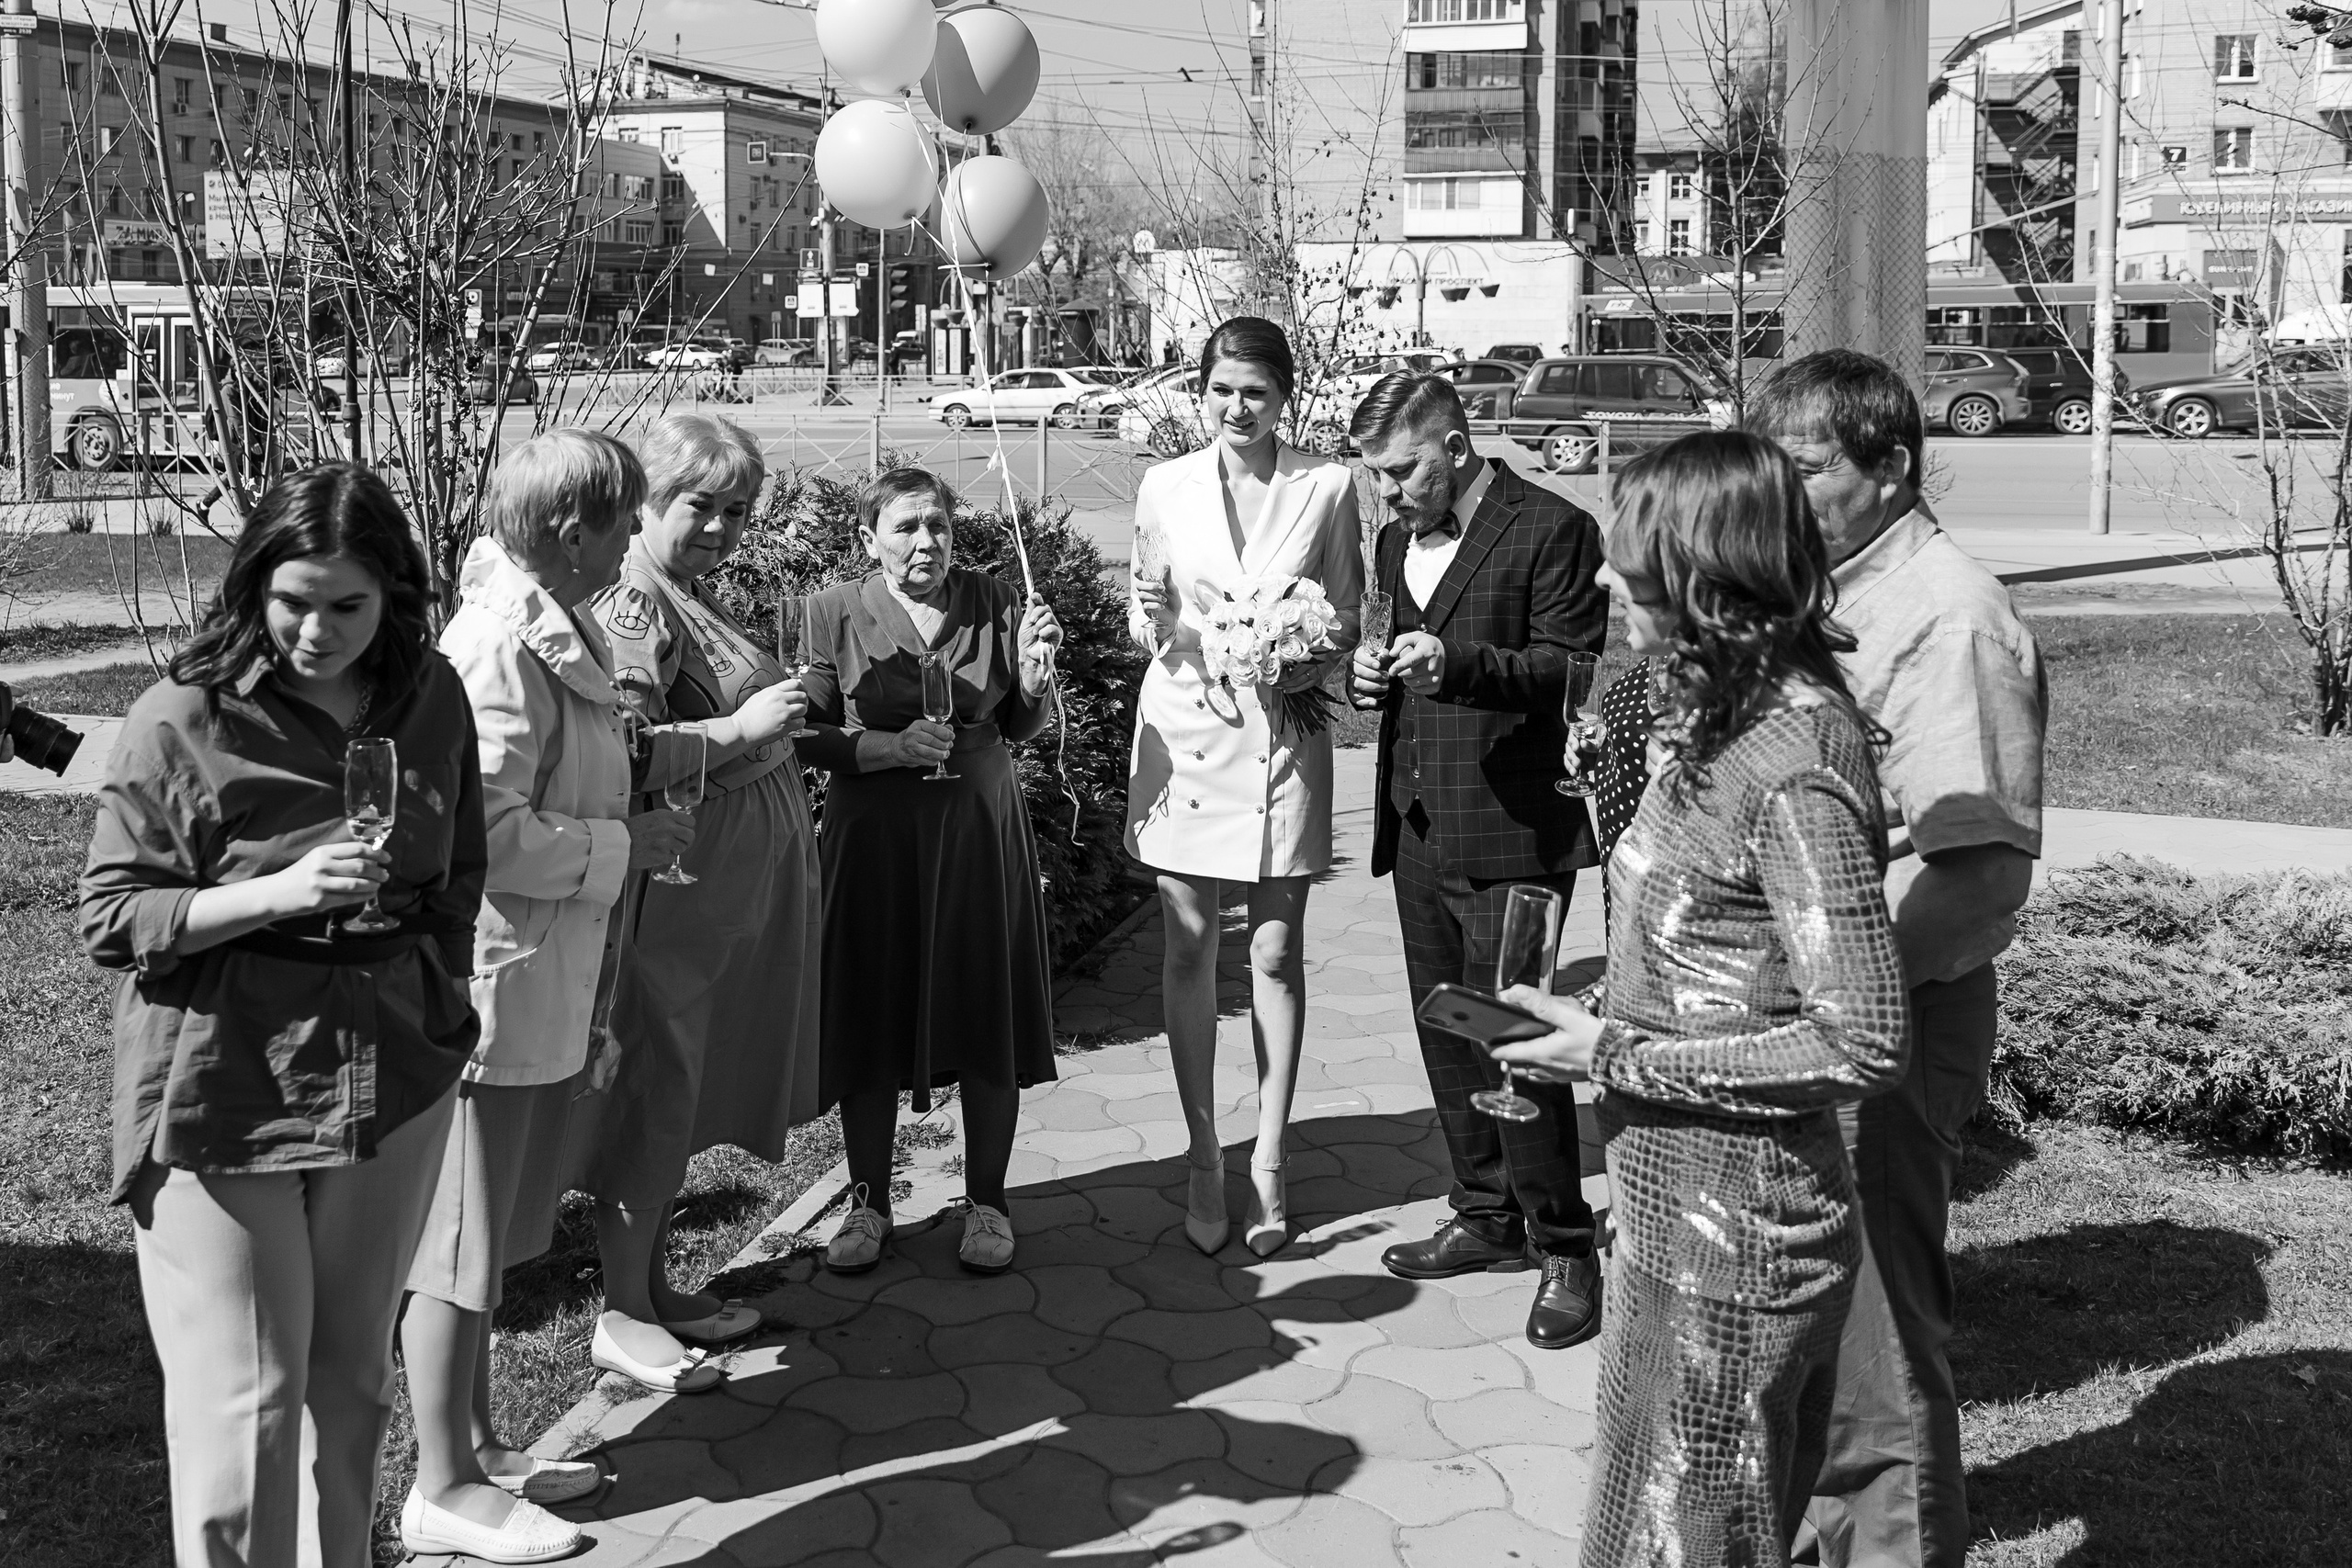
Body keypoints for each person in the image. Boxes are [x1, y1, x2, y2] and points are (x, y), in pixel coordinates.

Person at [1492, 429, 1912, 1566]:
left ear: (1700, 581)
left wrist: (1614, 1058)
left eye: (1627, 572)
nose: (1604, 591)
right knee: (1646, 1533)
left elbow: (1863, 1039)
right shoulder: (1713, 722)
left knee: (1700, 1545)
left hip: (1743, 1242)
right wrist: (1591, 1048)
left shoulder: (1792, 767)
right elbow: (1707, 964)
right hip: (1674, 1207)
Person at [81, 463, 486, 1568]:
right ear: (253, 586)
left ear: (393, 595)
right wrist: (274, 892)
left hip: (394, 1062)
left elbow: (458, 872)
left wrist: (446, 1006)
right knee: (250, 1402)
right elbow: (114, 913)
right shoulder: (184, 716)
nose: (317, 630)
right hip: (229, 1077)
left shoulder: (428, 695)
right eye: (293, 600)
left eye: (347, 605)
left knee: (351, 1382)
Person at [1747, 351, 2046, 1568]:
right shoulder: (1830, 591)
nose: (1781, 491)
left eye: (1804, 469)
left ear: (1889, 468)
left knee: (1876, 1354)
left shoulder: (1947, 610)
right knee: (1812, 1335)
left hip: (1884, 1031)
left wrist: (1838, 1015)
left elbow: (1974, 872)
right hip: (1819, 1022)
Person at [395, 432, 698, 1562]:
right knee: (459, 1241)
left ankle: (474, 1446)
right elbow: (483, 831)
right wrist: (627, 843)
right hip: (493, 987)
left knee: (497, 1228)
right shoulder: (493, 647)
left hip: (537, 979)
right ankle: (441, 1486)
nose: (635, 538)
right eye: (625, 519)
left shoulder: (546, 626)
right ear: (572, 531)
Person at [1342, 371, 1609, 1350]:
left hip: (1512, 829)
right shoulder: (1387, 538)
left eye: (1401, 470)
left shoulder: (1551, 528)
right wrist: (1364, 673)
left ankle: (1564, 1239)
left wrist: (1457, 665)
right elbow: (1389, 646)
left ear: (1455, 447)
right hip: (1417, 825)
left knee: (1514, 1035)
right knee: (1450, 1026)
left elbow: (1569, 666)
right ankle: (1485, 1212)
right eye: (1375, 475)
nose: (1388, 492)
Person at [580, 413, 820, 1393]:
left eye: (738, 510)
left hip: (723, 879)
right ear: (647, 500)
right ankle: (623, 1311)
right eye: (701, 505)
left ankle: (652, 1286)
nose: (723, 526)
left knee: (685, 1076)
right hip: (680, 880)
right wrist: (745, 725)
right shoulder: (636, 602)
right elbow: (625, 747)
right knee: (659, 1079)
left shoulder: (684, 587)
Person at [1125, 315, 1364, 1257]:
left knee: (1271, 954)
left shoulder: (1328, 485)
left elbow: (1346, 613)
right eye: (1222, 389)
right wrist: (1145, 615)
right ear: (1201, 389)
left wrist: (1304, 652)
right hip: (1186, 736)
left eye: (1256, 391)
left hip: (1284, 739)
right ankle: (1199, 1155)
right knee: (1188, 954)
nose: (1237, 407)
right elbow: (1148, 613)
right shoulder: (1163, 485)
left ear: (1285, 396)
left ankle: (1268, 1162)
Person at [800, 468, 1065, 1276]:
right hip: (872, 836)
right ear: (868, 538)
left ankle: (989, 1200)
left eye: (940, 525)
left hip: (977, 831)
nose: (927, 541)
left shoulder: (992, 599)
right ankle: (868, 1202)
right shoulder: (829, 611)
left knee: (986, 997)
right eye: (907, 526)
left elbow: (1018, 722)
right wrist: (881, 749)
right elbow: (805, 734)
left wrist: (1034, 682)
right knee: (872, 1005)